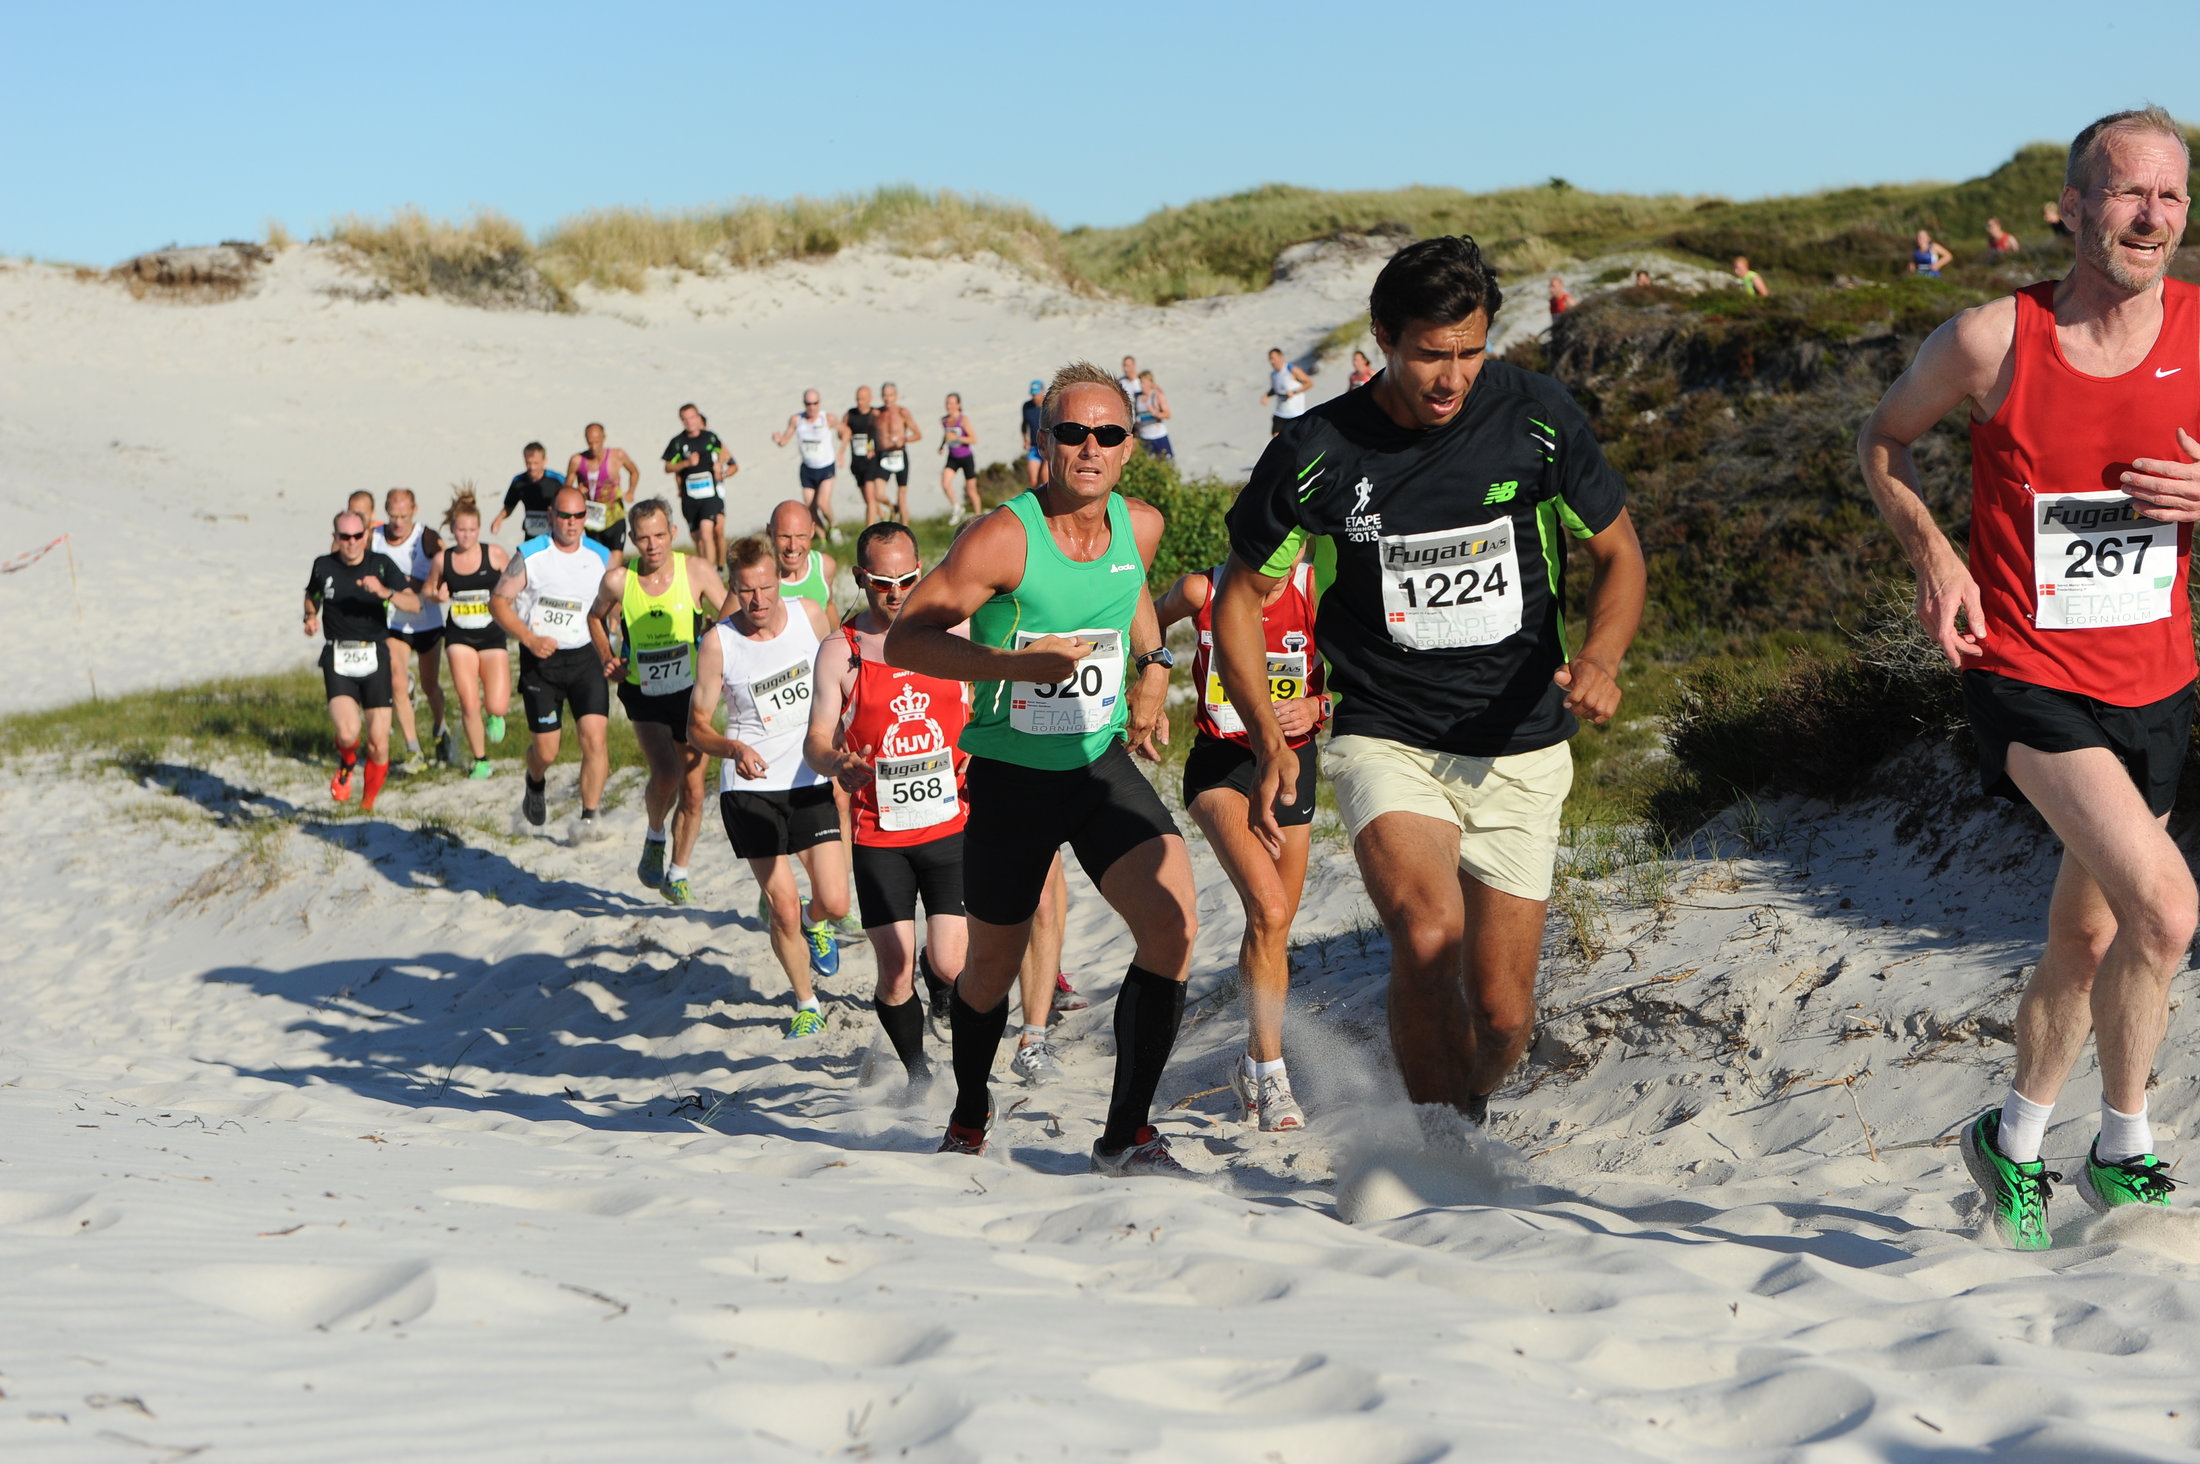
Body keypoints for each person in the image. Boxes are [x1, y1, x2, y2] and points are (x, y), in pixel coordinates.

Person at [1857, 106, 2197, 1249]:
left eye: (2168, 196)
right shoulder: (1992, 338)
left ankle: (2007, 1144)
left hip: (2155, 679)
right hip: (2026, 674)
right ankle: (2124, 1146)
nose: (2148, 216)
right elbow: (1881, 442)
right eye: (2124, 192)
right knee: (2168, 907)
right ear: (2071, 206)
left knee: (2092, 938)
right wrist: (1934, 551)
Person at [1219, 235, 1645, 1126]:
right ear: (1381, 337)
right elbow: (1240, 596)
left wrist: (1600, 660)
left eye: (1470, 351)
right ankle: (1438, 1152)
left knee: (1502, 1017)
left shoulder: (1536, 416)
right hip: (1388, 732)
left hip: (1520, 746)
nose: (1451, 377)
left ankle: (1463, 1101)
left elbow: (1618, 554)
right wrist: (1267, 736)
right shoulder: (1319, 447)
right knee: (1424, 933)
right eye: (1428, 354)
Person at [886, 361, 1197, 1176]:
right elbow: (908, 639)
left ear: (1131, 447)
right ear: (1043, 441)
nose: (1088, 447)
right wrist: (1014, 669)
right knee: (990, 968)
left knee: (1172, 927)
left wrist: (1155, 666)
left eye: (1107, 434)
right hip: (1014, 778)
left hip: (1098, 768)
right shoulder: (1002, 537)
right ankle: (968, 1110)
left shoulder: (1142, 525)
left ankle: (1124, 1134)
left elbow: (1129, 597)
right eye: (1071, 433)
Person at [1157, 549, 1325, 1129]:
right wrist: (1152, 681)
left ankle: (1252, 1062)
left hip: (1291, 768)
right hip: (1220, 765)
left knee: (1274, 928)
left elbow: (1374, 666)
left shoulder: (1314, 592)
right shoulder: (1204, 590)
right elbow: (1144, 623)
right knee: (1269, 907)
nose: (1279, 556)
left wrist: (1321, 703)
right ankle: (1275, 1078)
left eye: (1292, 543)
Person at [806, 521, 973, 1085]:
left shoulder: (956, 628)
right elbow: (815, 741)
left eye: (907, 579)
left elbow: (1000, 685)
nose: (897, 593)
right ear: (860, 578)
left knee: (950, 964)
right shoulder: (841, 651)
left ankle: (940, 979)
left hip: (951, 824)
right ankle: (919, 1074)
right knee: (895, 970)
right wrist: (838, 764)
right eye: (882, 582)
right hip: (880, 833)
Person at [690, 535, 850, 1037]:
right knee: (779, 905)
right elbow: (697, 726)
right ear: (732, 588)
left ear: (779, 579)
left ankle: (815, 920)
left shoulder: (809, 617)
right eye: (745, 591)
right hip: (750, 788)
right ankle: (806, 1003)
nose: (758, 601)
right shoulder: (720, 642)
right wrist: (734, 749)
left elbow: (842, 683)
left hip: (807, 777)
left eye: (765, 588)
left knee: (837, 901)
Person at [588, 498, 728, 906]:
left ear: (673, 534)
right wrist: (608, 658)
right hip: (643, 691)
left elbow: (730, 613)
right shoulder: (618, 580)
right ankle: (654, 835)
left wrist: (716, 651)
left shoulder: (696, 570)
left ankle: (678, 872)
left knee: (696, 790)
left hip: (690, 694)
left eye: (659, 536)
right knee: (666, 774)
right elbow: (595, 618)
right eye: (644, 538)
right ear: (632, 539)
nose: (652, 546)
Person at [492, 487, 613, 837]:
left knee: (594, 739)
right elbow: (499, 603)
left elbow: (613, 606)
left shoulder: (601, 555)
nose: (572, 523)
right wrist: (529, 638)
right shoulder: (531, 555)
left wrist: (613, 650)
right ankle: (535, 780)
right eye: (564, 516)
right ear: (550, 516)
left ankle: (589, 817)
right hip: (541, 663)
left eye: (578, 516)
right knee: (547, 749)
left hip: (585, 658)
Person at [304, 510, 422, 813]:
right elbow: (312, 594)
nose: (352, 542)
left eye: (358, 536)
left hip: (374, 656)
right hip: (338, 655)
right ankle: (346, 761)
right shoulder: (323, 565)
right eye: (345, 537)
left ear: (367, 535)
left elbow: (415, 603)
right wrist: (310, 616)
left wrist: (385, 592)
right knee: (347, 732)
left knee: (379, 743)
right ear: (335, 538)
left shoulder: (380, 565)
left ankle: (367, 803)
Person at [422, 487, 510, 780]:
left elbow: (517, 583)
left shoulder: (494, 554)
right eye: (461, 530)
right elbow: (428, 590)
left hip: (492, 634)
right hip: (459, 636)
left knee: (495, 704)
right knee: (468, 701)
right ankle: (480, 760)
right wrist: (437, 595)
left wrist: (506, 602)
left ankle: (495, 715)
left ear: (479, 530)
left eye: (472, 530)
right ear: (453, 530)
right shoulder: (443, 560)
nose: (466, 535)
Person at [372, 488, 448, 766]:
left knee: (430, 686)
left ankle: (441, 728)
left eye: (404, 516)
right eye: (393, 515)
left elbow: (445, 570)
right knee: (397, 683)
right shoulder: (375, 537)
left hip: (427, 622)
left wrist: (414, 584)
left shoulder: (426, 537)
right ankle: (413, 749)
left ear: (414, 510)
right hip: (394, 623)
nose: (398, 522)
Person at [662, 404, 733, 571]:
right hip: (690, 496)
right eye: (685, 419)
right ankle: (704, 567)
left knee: (707, 531)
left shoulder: (710, 437)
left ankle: (712, 571)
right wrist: (687, 463)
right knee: (697, 537)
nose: (690, 422)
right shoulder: (678, 442)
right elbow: (667, 467)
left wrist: (719, 464)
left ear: (698, 417)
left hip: (710, 493)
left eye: (692, 417)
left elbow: (725, 452)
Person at [567, 424, 639, 564]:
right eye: (590, 442)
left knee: (615, 558)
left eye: (597, 441)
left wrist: (630, 491)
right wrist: (577, 491)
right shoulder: (577, 460)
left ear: (604, 438)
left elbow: (634, 472)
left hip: (615, 515)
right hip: (592, 519)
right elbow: (566, 489)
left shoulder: (617, 455)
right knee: (597, 560)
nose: (593, 446)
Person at [773, 390, 843, 532]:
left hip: (826, 468)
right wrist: (778, 440)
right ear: (804, 404)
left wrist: (841, 452)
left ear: (819, 403)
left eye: (815, 403)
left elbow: (846, 431)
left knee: (823, 504)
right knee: (810, 508)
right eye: (808, 404)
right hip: (807, 469)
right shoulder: (797, 420)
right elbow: (784, 441)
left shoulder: (827, 418)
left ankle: (834, 527)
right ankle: (822, 537)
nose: (812, 407)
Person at [771, 499, 837, 613]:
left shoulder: (824, 567)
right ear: (769, 532)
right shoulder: (759, 575)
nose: (793, 546)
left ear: (812, 531)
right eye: (785, 536)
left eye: (800, 536)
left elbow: (828, 606)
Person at [491, 442, 564, 542]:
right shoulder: (519, 482)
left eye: (536, 463)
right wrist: (498, 519)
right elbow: (509, 506)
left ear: (544, 461)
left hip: (553, 535)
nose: (532, 467)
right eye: (528, 463)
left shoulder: (557, 480)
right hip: (530, 535)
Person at [873, 382, 924, 526]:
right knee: (878, 494)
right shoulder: (877, 414)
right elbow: (871, 432)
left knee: (902, 496)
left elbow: (918, 434)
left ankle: (905, 527)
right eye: (885, 395)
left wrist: (904, 439)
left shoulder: (903, 412)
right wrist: (871, 447)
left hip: (899, 456)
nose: (888, 399)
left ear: (896, 396)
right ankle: (892, 508)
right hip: (883, 456)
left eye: (890, 395)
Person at [842, 385, 885, 525]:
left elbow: (884, 435)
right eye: (858, 399)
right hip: (856, 462)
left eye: (863, 399)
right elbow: (841, 433)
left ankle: (869, 529)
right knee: (868, 499)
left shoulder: (875, 414)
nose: (860, 402)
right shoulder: (850, 415)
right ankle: (885, 513)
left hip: (871, 462)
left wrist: (875, 448)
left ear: (870, 399)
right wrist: (844, 434)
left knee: (870, 498)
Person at [940, 393, 983, 522]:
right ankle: (957, 507)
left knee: (971, 490)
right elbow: (946, 435)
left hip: (966, 457)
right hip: (952, 457)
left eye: (953, 403)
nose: (950, 406)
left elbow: (973, 439)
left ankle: (979, 517)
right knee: (945, 484)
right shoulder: (944, 420)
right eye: (948, 403)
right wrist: (941, 446)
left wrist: (958, 438)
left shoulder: (963, 420)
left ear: (958, 405)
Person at [1261, 348, 1311, 436]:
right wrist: (1266, 395)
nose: (1272, 361)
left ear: (1281, 357)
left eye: (1273, 358)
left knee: (1294, 441)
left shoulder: (1291, 370)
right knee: (1276, 439)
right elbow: (1275, 389)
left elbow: (1309, 383)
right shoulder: (1273, 374)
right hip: (1280, 413)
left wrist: (1294, 392)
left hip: (1295, 413)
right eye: (1270, 359)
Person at [1133, 371, 1173, 460]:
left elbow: (1168, 414)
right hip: (1144, 436)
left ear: (1150, 382)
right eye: (1140, 382)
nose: (1141, 385)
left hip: (1159, 436)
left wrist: (1155, 413)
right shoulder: (1137, 397)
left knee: (1165, 462)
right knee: (1147, 464)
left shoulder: (1157, 396)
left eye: (1143, 382)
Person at [1019, 379, 1048, 489]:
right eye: (1033, 394)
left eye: (1036, 394)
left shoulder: (1048, 406)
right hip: (1034, 446)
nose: (1034, 397)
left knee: (1045, 479)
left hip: (1047, 446)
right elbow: (1024, 424)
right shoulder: (1027, 406)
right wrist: (1025, 440)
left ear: (1042, 393)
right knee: (1033, 481)